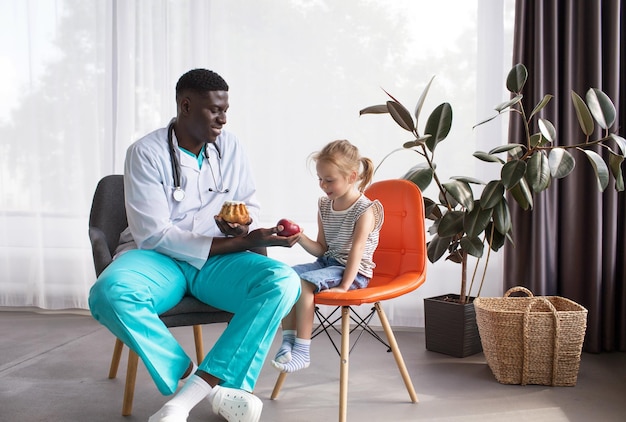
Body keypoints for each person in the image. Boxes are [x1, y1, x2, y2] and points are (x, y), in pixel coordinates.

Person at [88, 68, 301, 422]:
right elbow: (153, 234)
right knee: (107, 293)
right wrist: (243, 242)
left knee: (283, 282)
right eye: (214, 110)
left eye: (226, 109)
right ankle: (204, 383)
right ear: (186, 106)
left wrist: (243, 225)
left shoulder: (230, 146)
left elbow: (249, 202)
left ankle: (183, 403)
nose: (223, 118)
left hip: (216, 263)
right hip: (156, 259)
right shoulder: (145, 152)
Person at [271, 139, 384, 373]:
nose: (323, 185)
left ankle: (302, 351)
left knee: (303, 284)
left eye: (329, 180)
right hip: (328, 264)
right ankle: (288, 342)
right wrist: (300, 237)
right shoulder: (325, 205)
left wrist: (345, 285)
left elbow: (357, 251)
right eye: (320, 179)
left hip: (353, 272)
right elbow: (322, 249)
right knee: (286, 277)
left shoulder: (365, 209)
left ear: (352, 177)